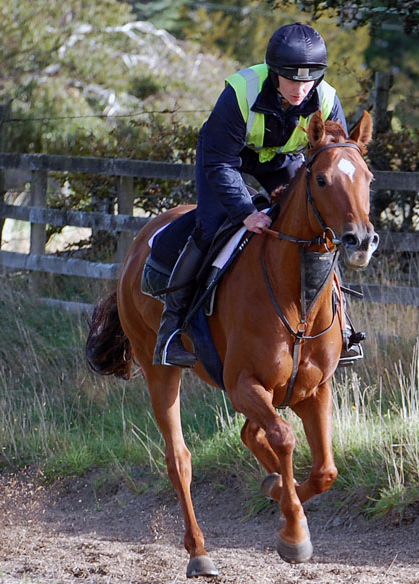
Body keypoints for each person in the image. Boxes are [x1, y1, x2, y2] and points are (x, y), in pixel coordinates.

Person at [144, 22, 365, 368]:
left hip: (281, 160)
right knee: (211, 223)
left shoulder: (326, 99)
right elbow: (218, 161)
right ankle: (171, 329)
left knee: (316, 230)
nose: (301, 89)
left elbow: (334, 158)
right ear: (274, 73)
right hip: (227, 158)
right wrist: (245, 210)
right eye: (291, 79)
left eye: (308, 80)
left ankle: (343, 325)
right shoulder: (241, 92)